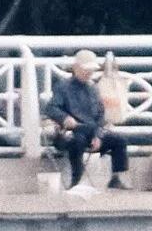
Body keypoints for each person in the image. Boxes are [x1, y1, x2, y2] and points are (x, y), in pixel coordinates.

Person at [44, 50, 128, 188]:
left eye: (91, 70)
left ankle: (115, 178)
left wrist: (97, 135)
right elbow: (51, 108)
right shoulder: (63, 87)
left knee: (119, 140)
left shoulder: (93, 88)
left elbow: (100, 115)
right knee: (77, 141)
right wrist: (64, 118)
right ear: (76, 68)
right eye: (86, 69)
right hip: (70, 131)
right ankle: (76, 180)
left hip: (91, 130)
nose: (88, 73)